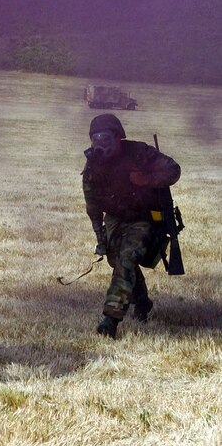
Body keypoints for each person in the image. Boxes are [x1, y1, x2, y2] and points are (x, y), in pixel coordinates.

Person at [82, 113, 181, 339]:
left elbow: (174, 170)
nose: (101, 145)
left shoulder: (139, 153)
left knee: (127, 258)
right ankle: (143, 302)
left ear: (118, 137)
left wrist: (147, 179)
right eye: (96, 139)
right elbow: (93, 207)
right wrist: (101, 240)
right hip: (116, 219)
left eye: (105, 139)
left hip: (144, 217)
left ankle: (111, 319)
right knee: (117, 261)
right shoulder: (93, 165)